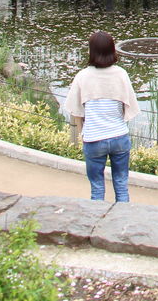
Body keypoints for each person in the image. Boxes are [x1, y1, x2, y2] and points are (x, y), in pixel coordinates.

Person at [63, 31, 141, 202]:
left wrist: (83, 132)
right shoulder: (120, 74)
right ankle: (123, 221)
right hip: (119, 136)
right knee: (121, 184)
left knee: (97, 187)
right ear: (112, 50)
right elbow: (129, 105)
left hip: (94, 138)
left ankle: (97, 223)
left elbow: (75, 110)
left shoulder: (83, 76)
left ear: (91, 51)